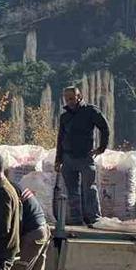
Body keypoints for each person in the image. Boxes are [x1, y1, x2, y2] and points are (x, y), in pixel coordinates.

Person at [53, 86, 110, 226]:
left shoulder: (90, 111)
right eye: (66, 99)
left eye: (71, 98)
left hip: (85, 157)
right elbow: (60, 139)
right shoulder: (64, 117)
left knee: (89, 189)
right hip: (68, 158)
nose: (69, 101)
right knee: (72, 192)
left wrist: (101, 148)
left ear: (79, 97)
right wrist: (58, 160)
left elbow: (104, 128)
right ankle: (76, 221)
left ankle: (94, 219)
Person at [7, 180, 49, 270]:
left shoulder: (6, 191)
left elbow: (15, 222)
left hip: (32, 234)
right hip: (42, 229)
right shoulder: (14, 187)